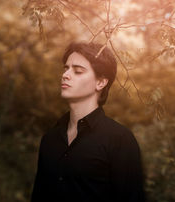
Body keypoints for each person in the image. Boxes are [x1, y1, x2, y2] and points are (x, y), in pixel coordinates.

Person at [31, 41, 145, 202]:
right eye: (66, 68)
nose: (66, 74)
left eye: (78, 71)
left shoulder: (119, 139)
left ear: (100, 82)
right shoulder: (50, 138)